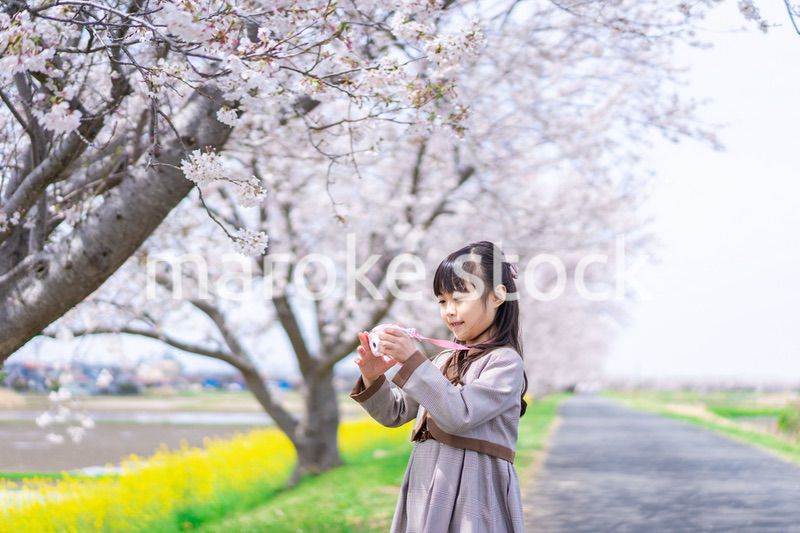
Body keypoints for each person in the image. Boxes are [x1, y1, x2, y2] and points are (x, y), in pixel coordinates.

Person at [350, 240, 528, 532]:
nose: (449, 311)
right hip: (425, 482)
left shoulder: (505, 363)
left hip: (475, 489)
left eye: (459, 298)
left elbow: (460, 416)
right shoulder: (444, 359)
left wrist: (413, 361)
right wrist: (373, 377)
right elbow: (394, 413)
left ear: (498, 297)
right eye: (442, 301)